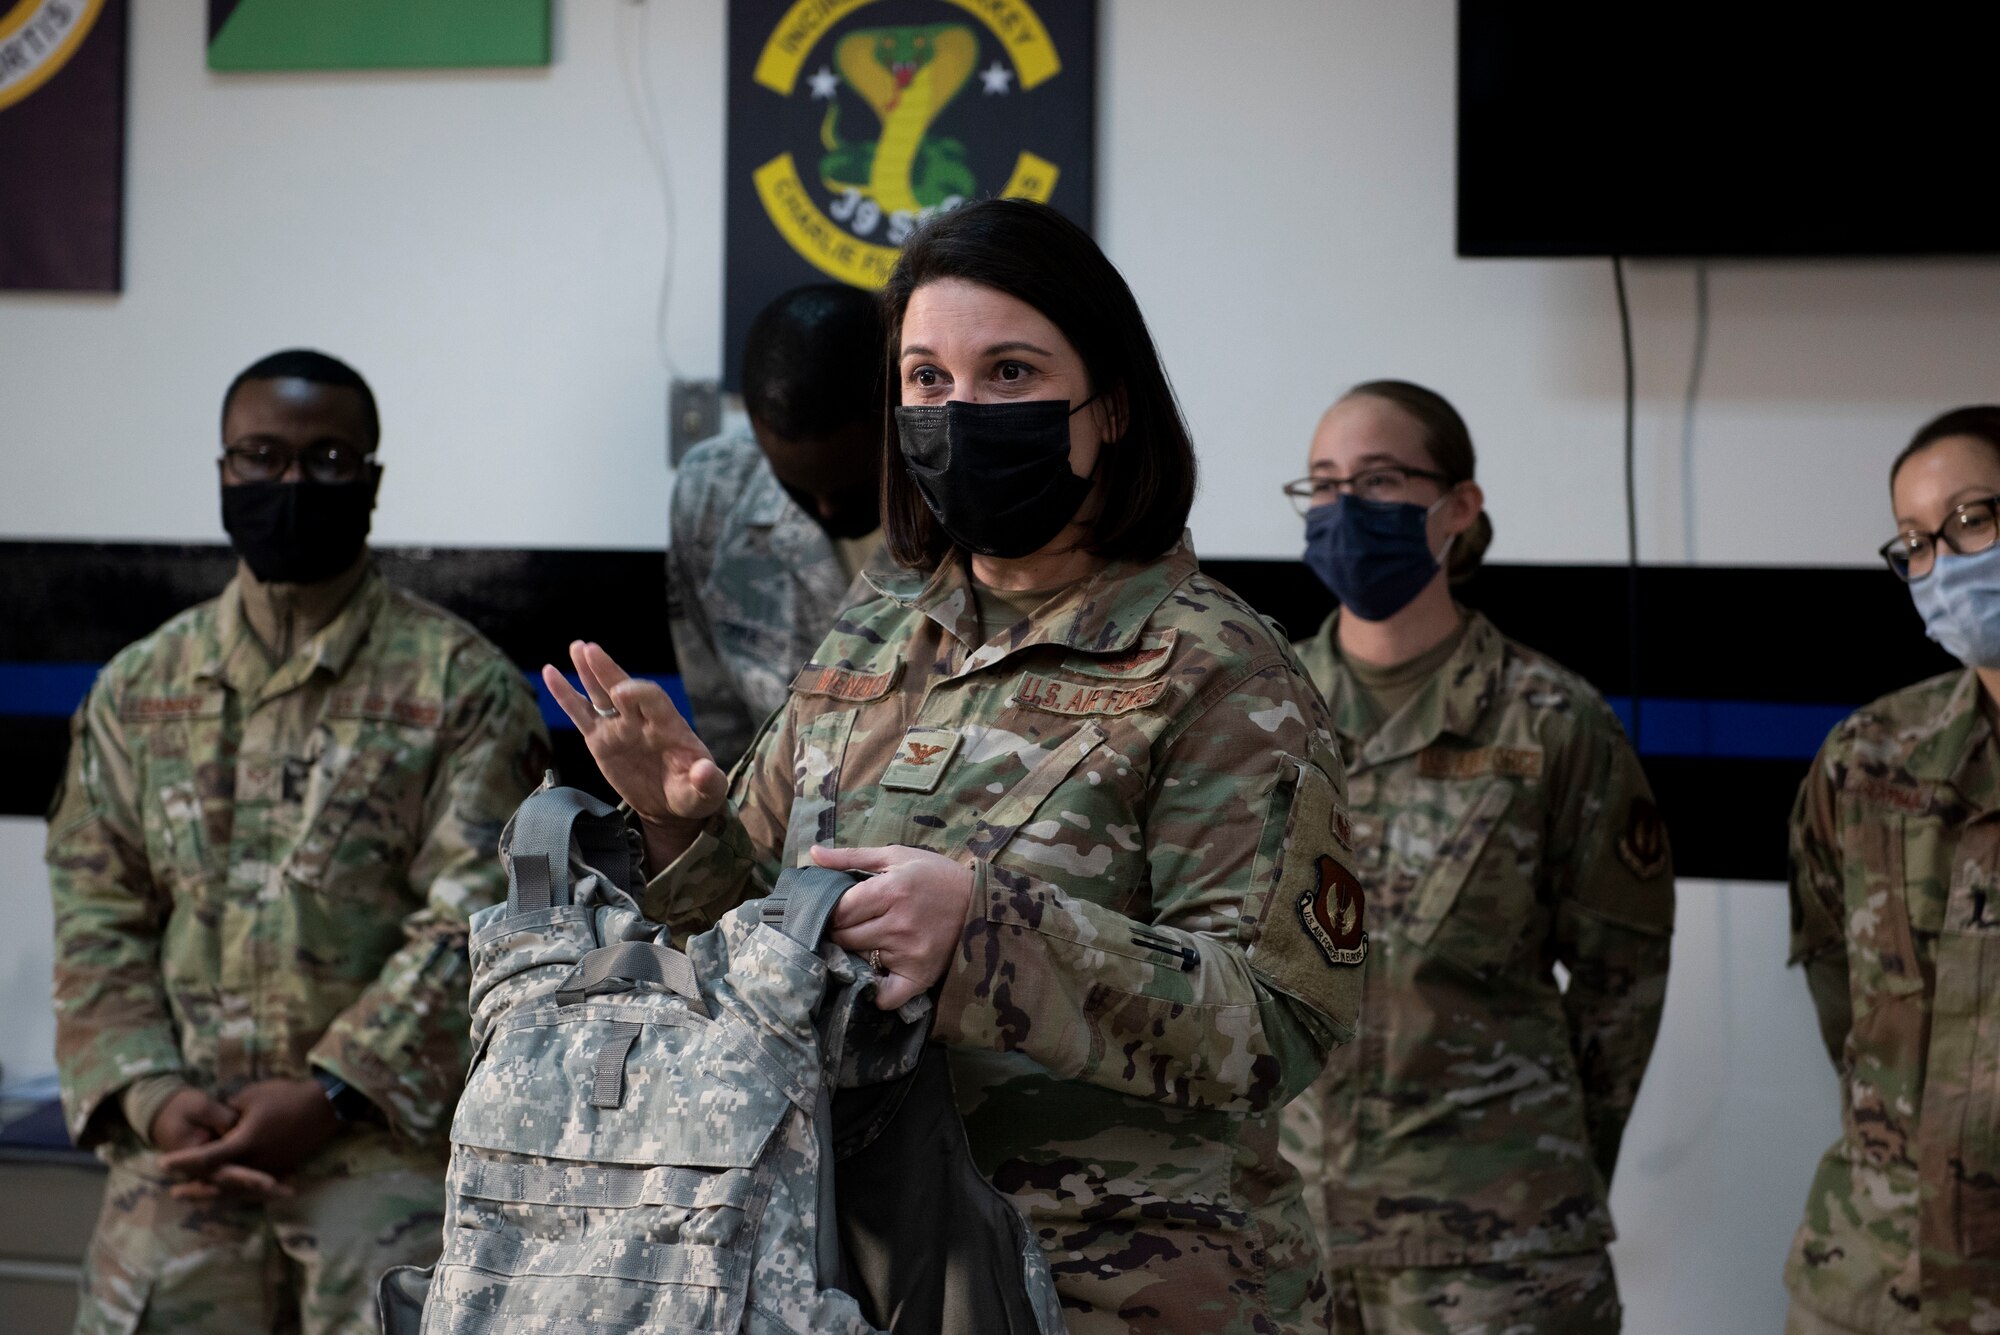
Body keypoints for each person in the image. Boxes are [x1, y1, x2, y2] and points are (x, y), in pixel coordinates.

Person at [542, 200, 1366, 1334]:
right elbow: (775, 953)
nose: (959, 411)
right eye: (926, 378)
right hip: (866, 1280)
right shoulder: (872, 632)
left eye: (1010, 372)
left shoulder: (1219, 669)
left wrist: (984, 935)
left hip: (1122, 1298)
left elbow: (1282, 1023)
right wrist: (686, 830)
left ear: (1108, 405)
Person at [47, 349, 550, 1335]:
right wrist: (150, 1095)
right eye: (260, 457)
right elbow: (93, 911)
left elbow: (478, 924)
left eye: (325, 460)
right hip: (183, 1153)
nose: (290, 483)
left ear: (369, 481)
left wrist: (331, 1091)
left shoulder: (462, 688)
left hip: (382, 1157)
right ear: (223, 472)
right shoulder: (140, 687)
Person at [1276, 381, 1675, 1334]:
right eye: (1323, 484)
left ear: (1459, 508)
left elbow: (1623, 981)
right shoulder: (1260, 711)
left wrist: (1543, 1154)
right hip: (1287, 1234)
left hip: (1498, 1249)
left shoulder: (1552, 720)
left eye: (1377, 480)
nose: (1343, 509)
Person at [1785, 404, 2000, 1335]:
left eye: (1971, 518)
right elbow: (1841, 981)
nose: (1942, 563)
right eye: (1913, 541)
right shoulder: (1869, 756)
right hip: (1875, 1281)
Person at [668, 283, 895, 771]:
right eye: (796, 487)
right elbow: (720, 717)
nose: (828, 511)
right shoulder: (713, 493)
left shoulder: (963, 512)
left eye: (852, 486)